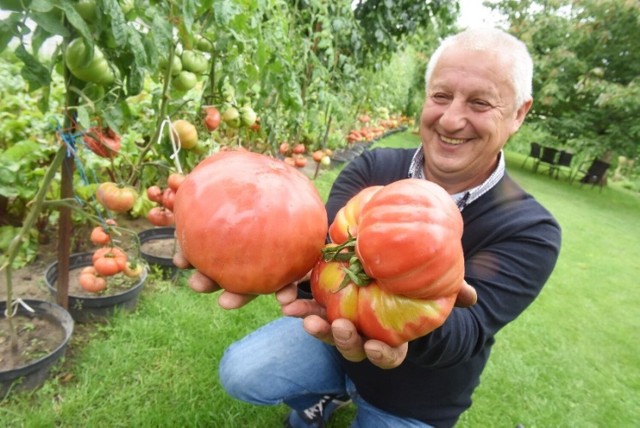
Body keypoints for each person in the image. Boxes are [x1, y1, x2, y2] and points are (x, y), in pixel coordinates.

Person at [174, 27, 561, 428]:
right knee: (242, 371)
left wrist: (419, 295)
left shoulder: (530, 230)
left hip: (418, 395)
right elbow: (319, 255)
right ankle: (325, 394)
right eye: (441, 96)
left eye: (480, 103)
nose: (451, 118)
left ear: (519, 113)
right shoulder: (372, 168)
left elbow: (467, 332)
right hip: (333, 347)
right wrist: (245, 254)